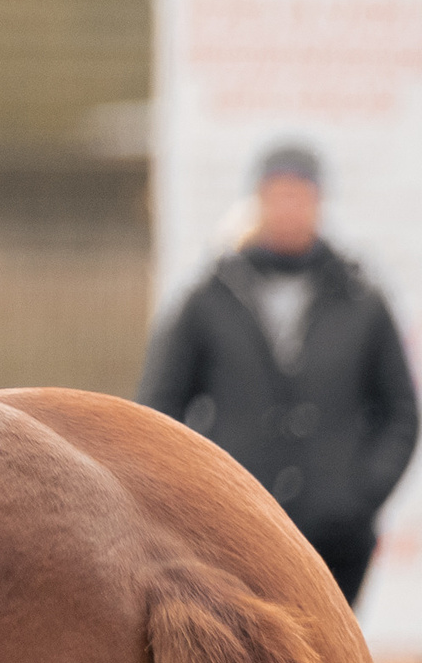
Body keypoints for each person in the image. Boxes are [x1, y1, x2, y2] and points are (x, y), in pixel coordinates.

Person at [138, 143, 418, 602]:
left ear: (320, 202)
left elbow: (400, 413)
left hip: (336, 542)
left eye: (300, 195)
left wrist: (359, 495)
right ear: (258, 201)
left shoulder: (361, 299)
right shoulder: (210, 296)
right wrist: (200, 496)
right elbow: (159, 407)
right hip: (231, 533)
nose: (289, 207)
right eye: (278, 194)